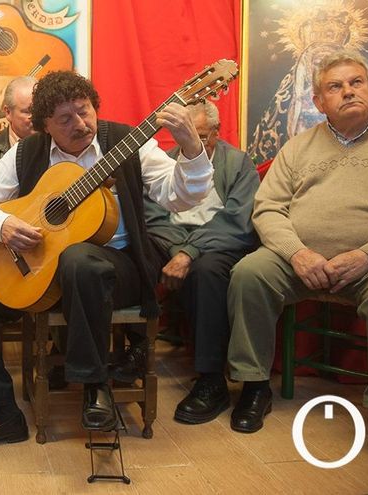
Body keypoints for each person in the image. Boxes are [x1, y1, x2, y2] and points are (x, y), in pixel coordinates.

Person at [0, 70, 213, 453]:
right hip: (49, 271)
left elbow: (182, 197)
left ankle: (95, 387)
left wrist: (190, 148)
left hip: (119, 266)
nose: (80, 124)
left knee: (79, 260)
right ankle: (2, 412)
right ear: (44, 126)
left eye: (84, 111)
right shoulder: (27, 151)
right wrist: (3, 225)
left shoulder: (125, 142)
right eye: (65, 119)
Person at [225, 51, 368, 471]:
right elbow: (267, 209)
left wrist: (367, 255)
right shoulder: (298, 147)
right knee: (248, 273)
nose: (348, 92)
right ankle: (253, 385)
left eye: (356, 82)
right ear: (319, 102)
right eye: (335, 87)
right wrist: (297, 253)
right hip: (299, 260)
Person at [111, 101, 258, 424]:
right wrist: (178, 249)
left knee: (205, 273)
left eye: (201, 136)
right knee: (135, 253)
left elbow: (237, 222)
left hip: (217, 244)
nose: (193, 144)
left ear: (217, 133)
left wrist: (189, 253)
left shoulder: (238, 164)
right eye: (184, 136)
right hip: (172, 240)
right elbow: (153, 216)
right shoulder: (167, 163)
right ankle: (137, 348)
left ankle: (211, 379)